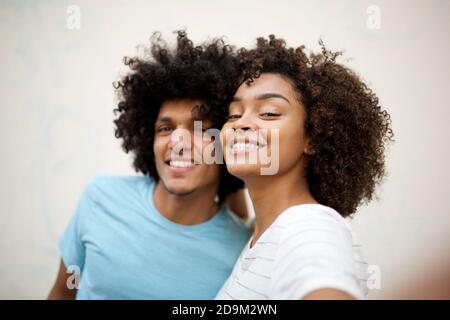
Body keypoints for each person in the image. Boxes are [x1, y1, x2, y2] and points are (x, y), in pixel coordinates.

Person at [48, 31, 251, 300]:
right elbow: (63, 292)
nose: (178, 140)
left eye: (200, 128)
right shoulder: (99, 198)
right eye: (165, 128)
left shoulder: (242, 252)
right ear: (148, 139)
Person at [216, 35, 393, 300]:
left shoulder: (309, 228)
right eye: (234, 114)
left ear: (312, 137)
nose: (241, 123)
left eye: (269, 113)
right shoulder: (261, 234)